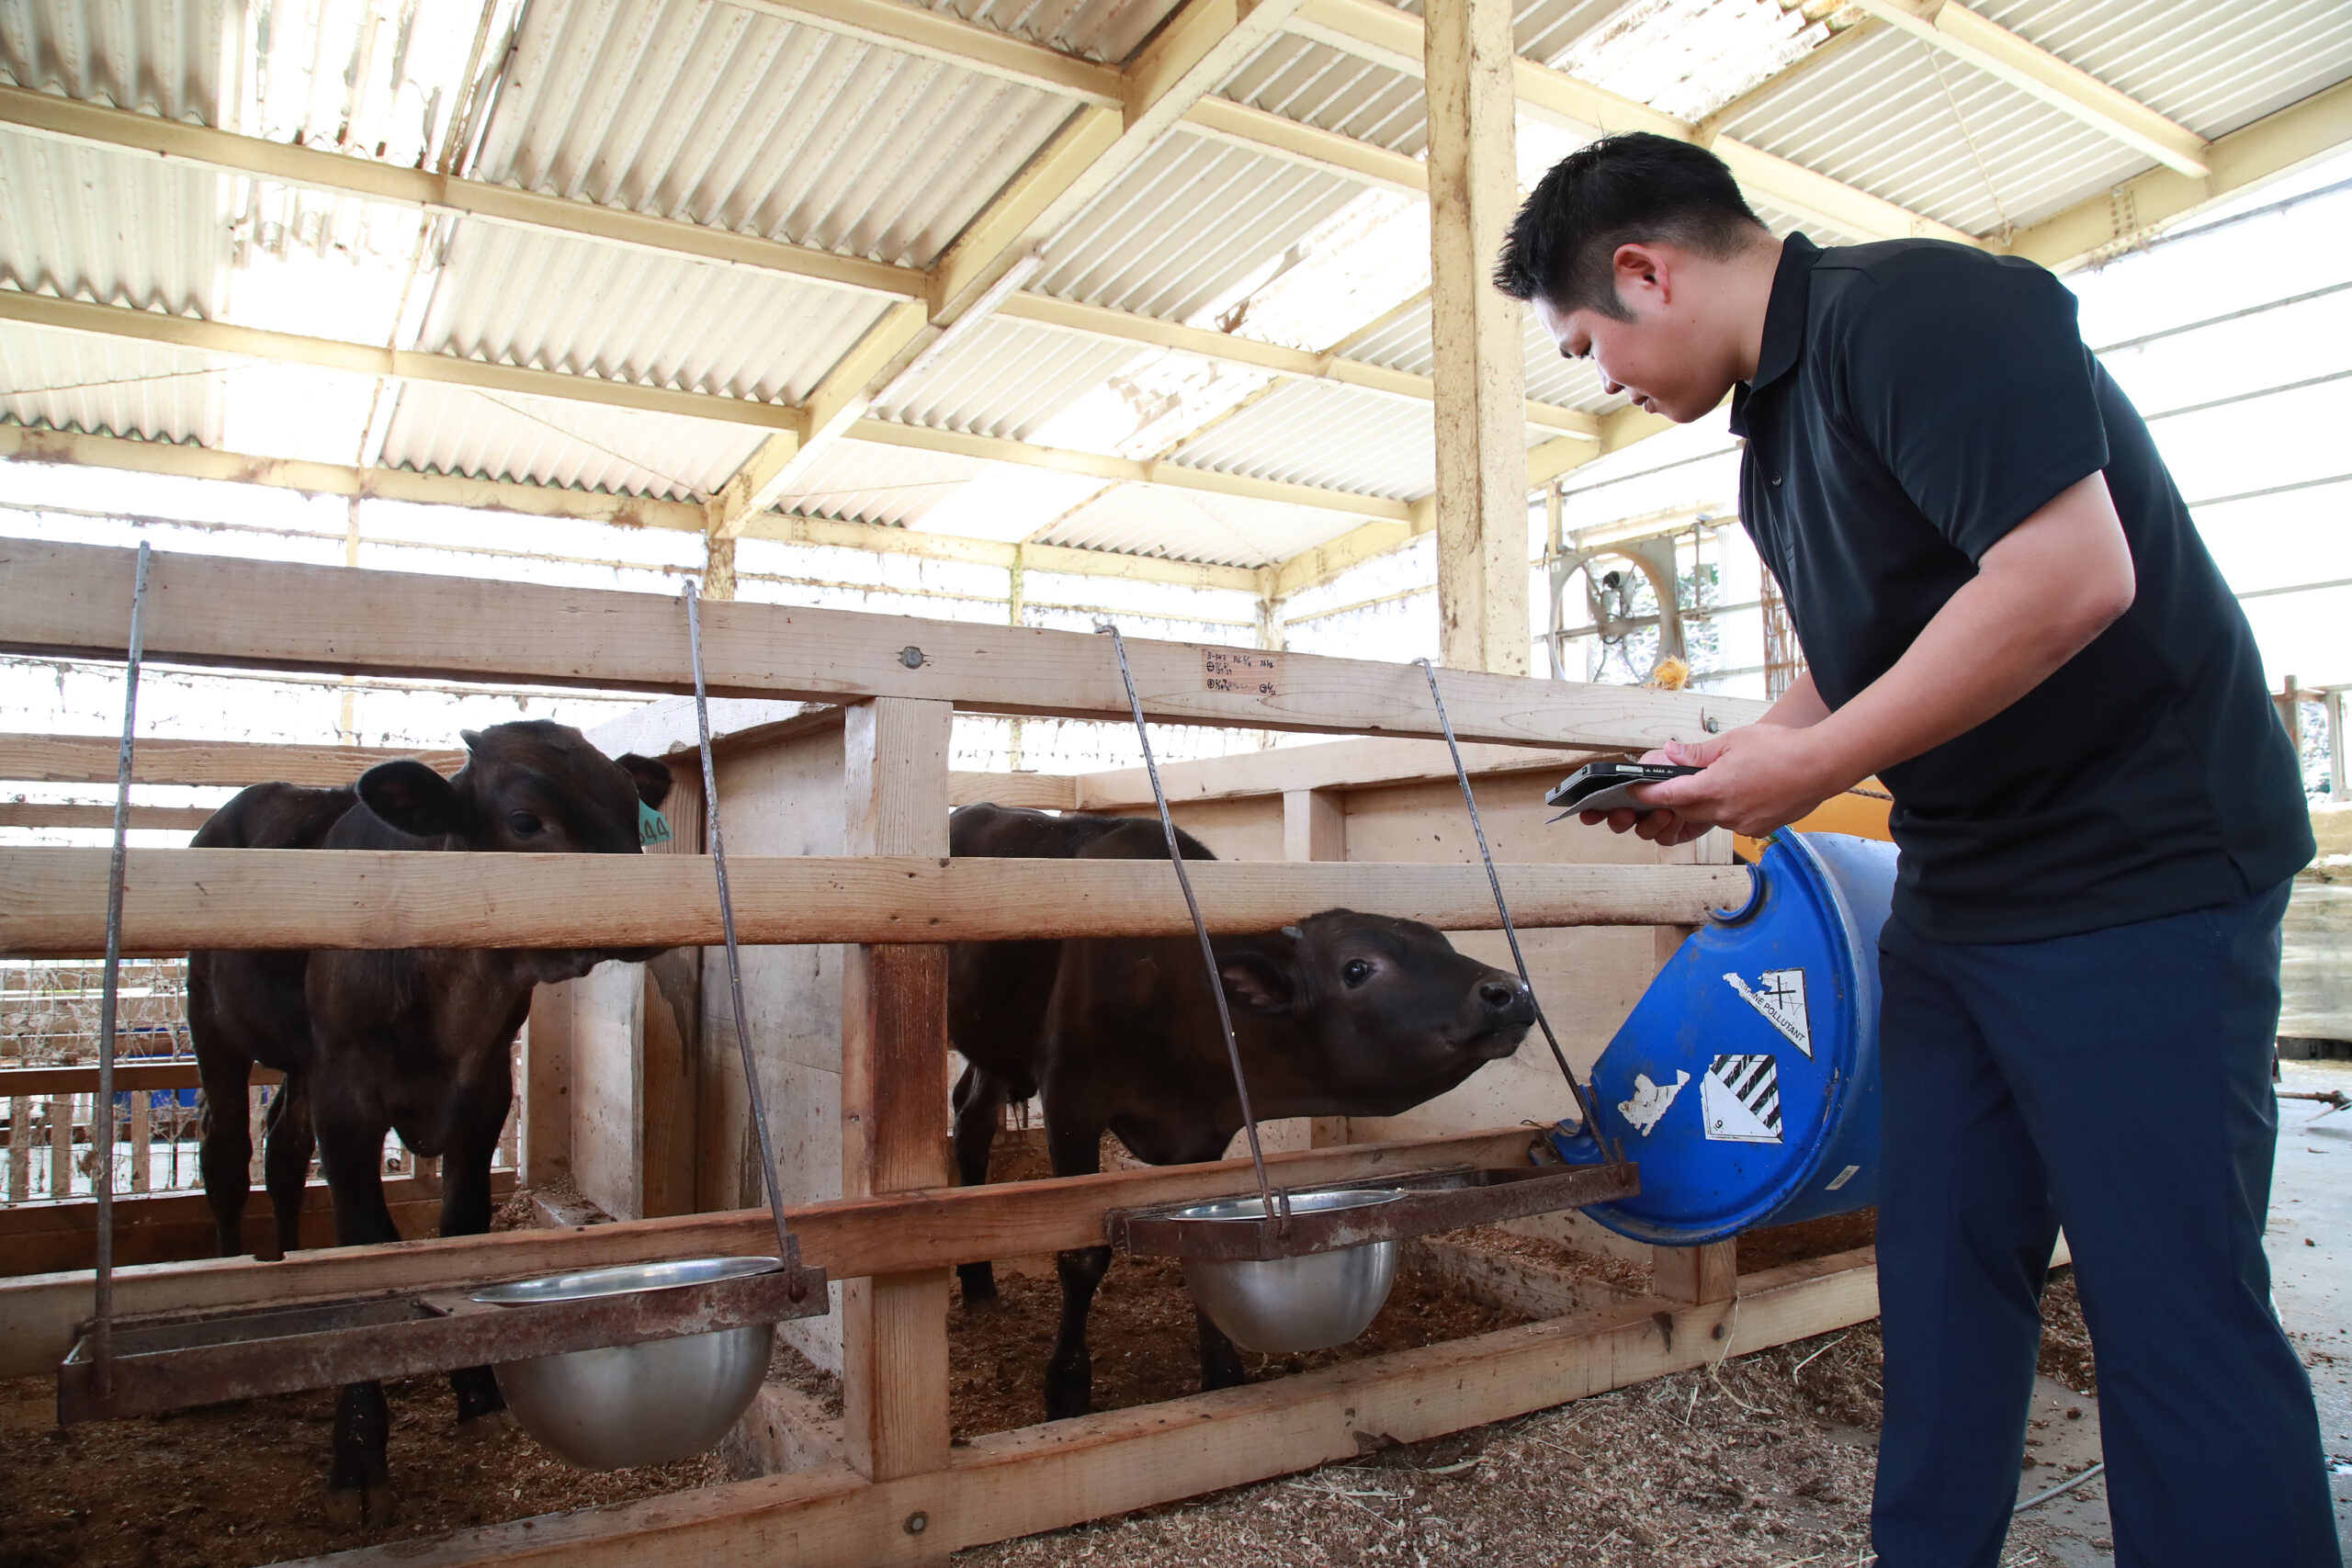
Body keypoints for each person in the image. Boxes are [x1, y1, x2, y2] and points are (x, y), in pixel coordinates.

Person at [1494, 131, 2335, 1567]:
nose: (1605, 382)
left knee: (2168, 1307)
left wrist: (1809, 768)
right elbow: (1860, 653)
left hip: (2144, 873)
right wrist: (1735, 758)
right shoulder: (1773, 442)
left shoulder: (1926, 313)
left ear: (1647, 271)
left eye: (1588, 344)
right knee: (1940, 1277)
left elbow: (2071, 575)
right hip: (1968, 888)